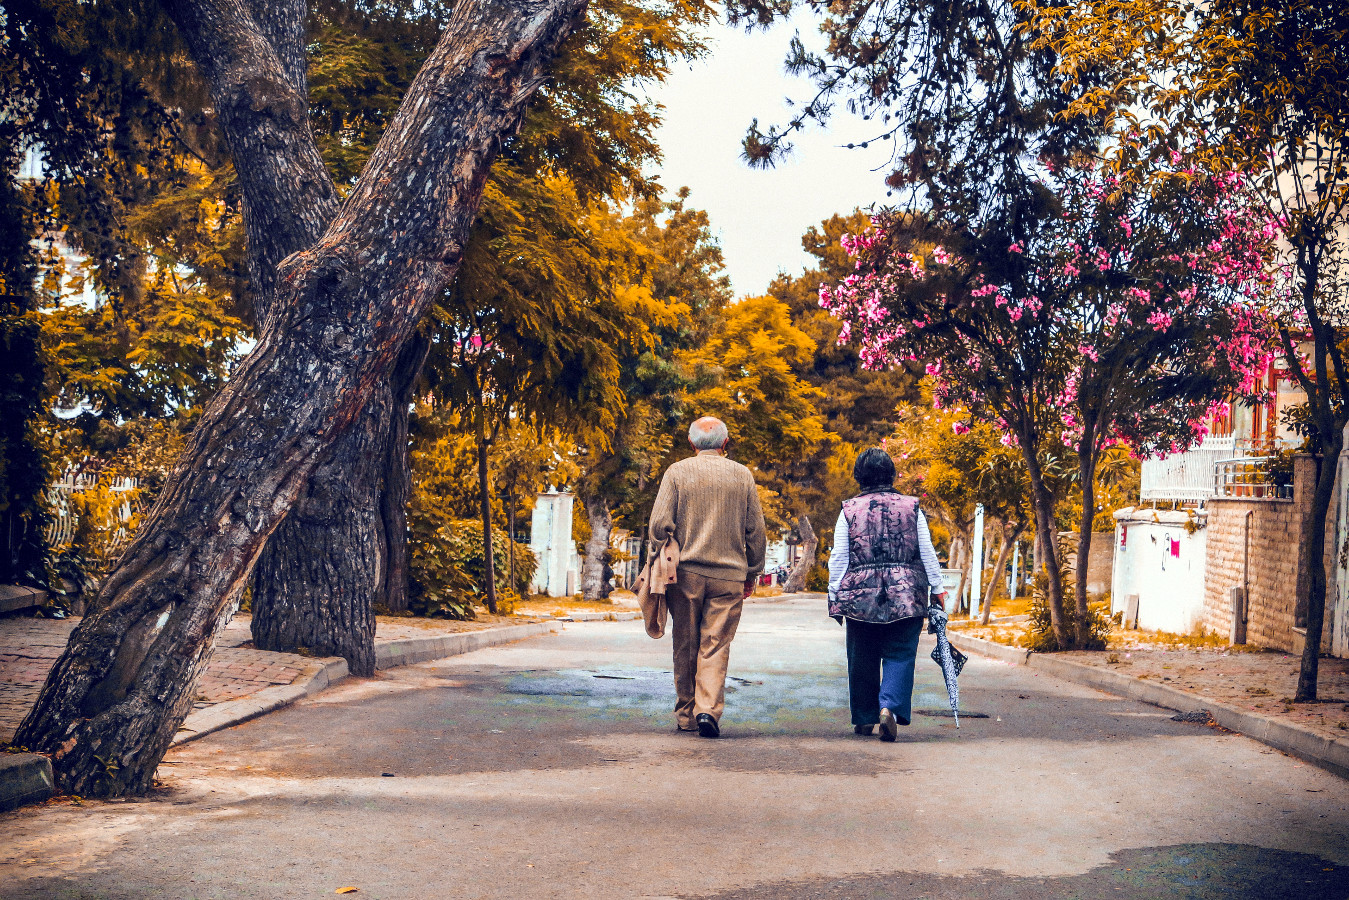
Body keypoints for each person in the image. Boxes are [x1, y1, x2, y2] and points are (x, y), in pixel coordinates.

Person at [648, 416, 767, 738]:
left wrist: (661, 552)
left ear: (691, 444)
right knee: (715, 645)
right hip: (729, 576)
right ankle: (707, 710)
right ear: (725, 444)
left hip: (684, 574)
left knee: (685, 642)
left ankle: (686, 714)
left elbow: (659, 525)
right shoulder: (742, 476)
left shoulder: (677, 472)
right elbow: (755, 531)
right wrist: (752, 571)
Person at [827, 447, 948, 742]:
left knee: (862, 656)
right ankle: (888, 710)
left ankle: (865, 718)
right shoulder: (912, 507)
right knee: (901, 653)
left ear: (859, 476)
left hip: (860, 596)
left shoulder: (848, 510)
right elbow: (927, 552)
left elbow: (839, 557)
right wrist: (938, 588)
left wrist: (834, 593)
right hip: (907, 593)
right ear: (892, 474)